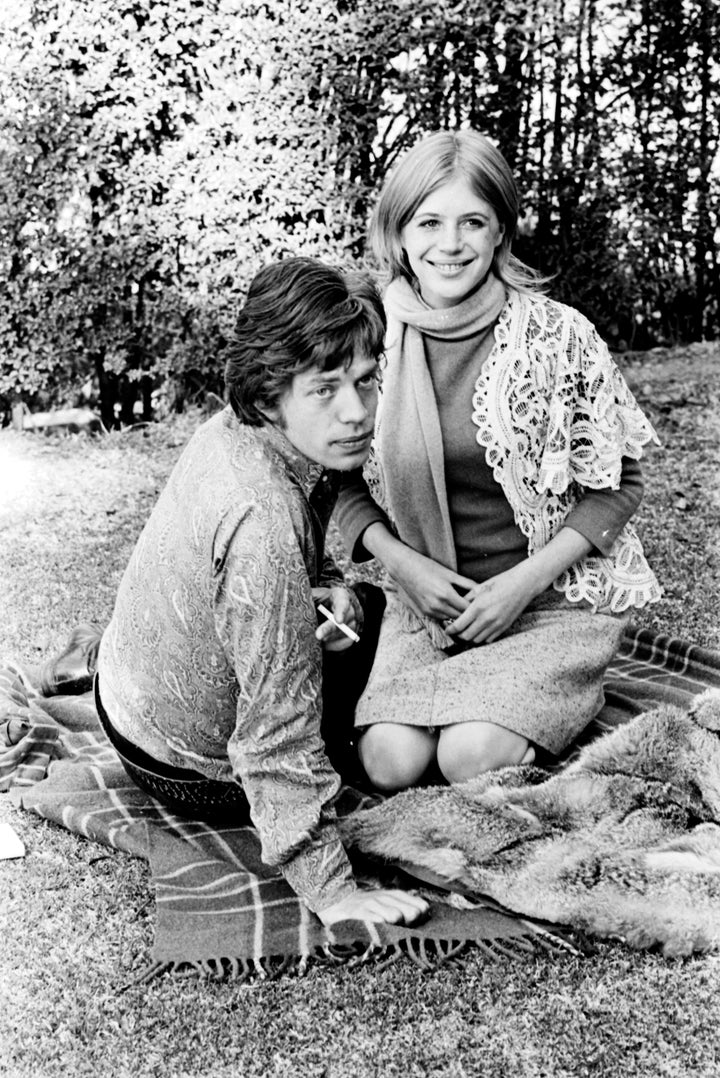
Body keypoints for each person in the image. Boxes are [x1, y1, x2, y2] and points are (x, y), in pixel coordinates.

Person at [94, 257, 428, 929]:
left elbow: (240, 573)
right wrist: (334, 892)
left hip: (121, 704)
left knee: (371, 613)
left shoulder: (232, 428)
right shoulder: (261, 523)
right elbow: (276, 736)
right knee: (405, 632)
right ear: (272, 391)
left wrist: (319, 589)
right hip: (190, 771)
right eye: (326, 389)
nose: (357, 411)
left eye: (366, 382)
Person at [334, 130, 662, 792]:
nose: (449, 244)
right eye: (429, 221)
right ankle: (469, 701)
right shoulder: (368, 338)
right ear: (398, 233)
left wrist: (519, 586)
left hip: (546, 602)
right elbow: (331, 479)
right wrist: (406, 568)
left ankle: (559, 691)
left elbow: (617, 486)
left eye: (472, 222)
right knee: (388, 765)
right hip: (430, 599)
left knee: (470, 759)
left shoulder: (557, 335)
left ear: (500, 234)